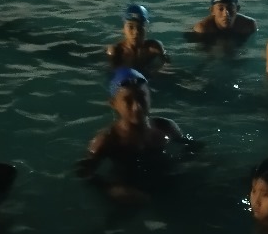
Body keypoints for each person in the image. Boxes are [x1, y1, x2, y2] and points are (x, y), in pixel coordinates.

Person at [76, 68, 193, 199]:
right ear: (113, 103)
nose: (137, 107)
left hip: (169, 181)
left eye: (141, 98)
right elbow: (84, 173)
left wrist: (190, 164)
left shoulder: (167, 127)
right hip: (133, 190)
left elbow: (192, 149)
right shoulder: (107, 140)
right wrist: (110, 189)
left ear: (150, 96)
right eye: (128, 101)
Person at [107, 3, 167, 72]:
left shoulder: (154, 48)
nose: (136, 32)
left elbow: (168, 68)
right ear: (124, 29)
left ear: (147, 28)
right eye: (131, 27)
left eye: (140, 27)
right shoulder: (116, 51)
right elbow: (112, 75)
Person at [190, 0, 258, 40]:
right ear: (212, 11)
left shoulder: (249, 25)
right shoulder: (203, 29)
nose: (226, 14)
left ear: (237, 9)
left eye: (230, 8)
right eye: (220, 9)